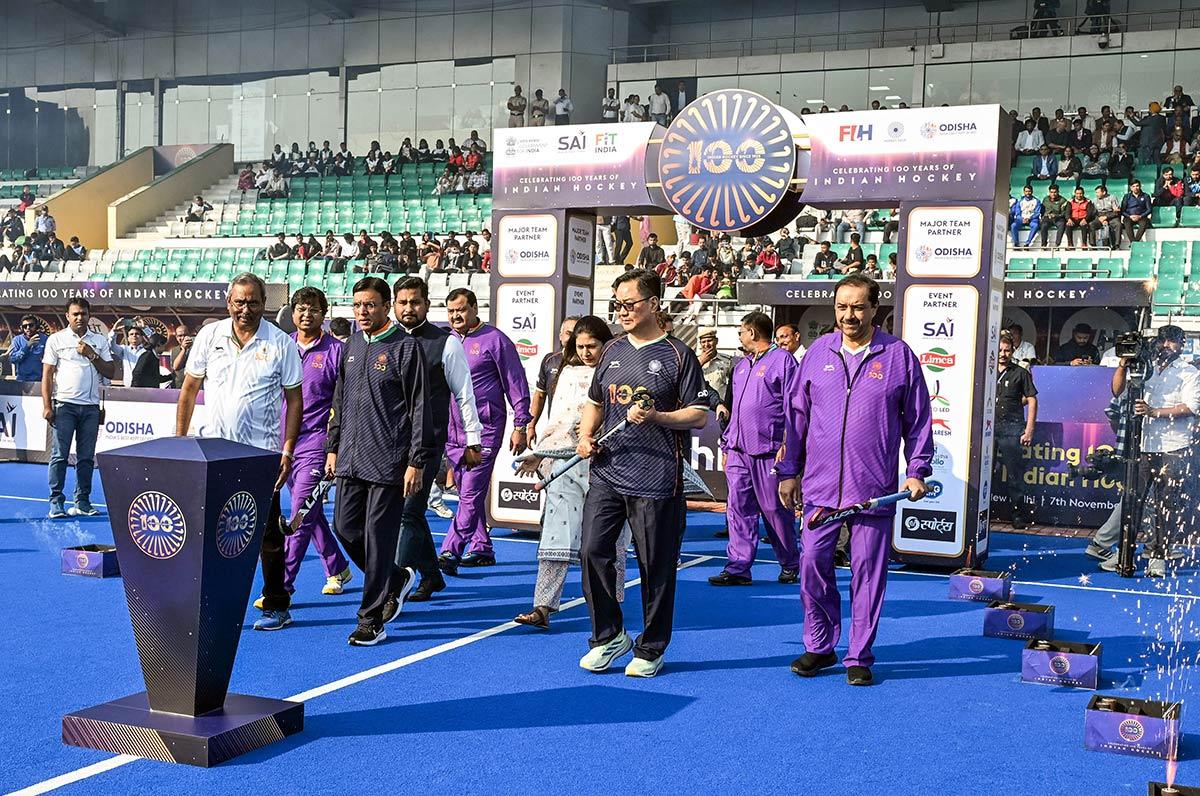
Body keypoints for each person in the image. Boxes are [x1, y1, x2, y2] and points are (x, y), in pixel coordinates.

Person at [777, 274, 933, 686]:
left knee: (867, 574)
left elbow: (918, 421)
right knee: (811, 565)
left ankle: (859, 655)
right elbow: (796, 418)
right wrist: (788, 470)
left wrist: (917, 470)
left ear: (874, 310)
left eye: (858, 307)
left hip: (874, 490)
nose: (849, 315)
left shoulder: (898, 355)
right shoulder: (816, 355)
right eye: (842, 307)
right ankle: (820, 645)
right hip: (820, 489)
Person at [575, 269, 708, 678]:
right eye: (617, 304)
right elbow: (595, 402)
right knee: (591, 552)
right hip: (608, 473)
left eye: (630, 303)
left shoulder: (677, 355)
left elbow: (698, 416)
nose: (623, 310)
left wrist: (657, 416)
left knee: (655, 566)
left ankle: (650, 647)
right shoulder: (612, 350)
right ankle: (608, 635)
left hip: (656, 479)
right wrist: (585, 435)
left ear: (653, 303)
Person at [176, 273, 304, 631]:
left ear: (265, 304)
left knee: (267, 536)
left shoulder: (281, 343)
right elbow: (188, 390)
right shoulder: (209, 336)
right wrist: (179, 439)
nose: (246, 309)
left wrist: (288, 451)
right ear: (228, 302)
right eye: (239, 302)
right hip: (213, 454)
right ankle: (212, 603)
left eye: (253, 302)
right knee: (209, 533)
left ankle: (277, 604)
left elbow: (295, 402)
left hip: (260, 455)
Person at [325, 277, 431, 645]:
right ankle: (395, 578)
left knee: (377, 537)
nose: (362, 312)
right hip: (350, 460)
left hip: (388, 461)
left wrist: (416, 461)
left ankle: (371, 620)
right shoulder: (351, 344)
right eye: (357, 306)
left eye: (369, 305)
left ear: (386, 306)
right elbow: (339, 399)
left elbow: (420, 408)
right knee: (343, 528)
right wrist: (333, 446)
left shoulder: (406, 347)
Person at [513, 317, 631, 630]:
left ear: (605, 343)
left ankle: (611, 604)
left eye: (592, 345)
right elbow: (558, 420)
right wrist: (541, 455)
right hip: (565, 464)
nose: (586, 352)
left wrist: (596, 431)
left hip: (607, 466)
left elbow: (626, 420)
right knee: (555, 534)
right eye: (580, 346)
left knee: (610, 539)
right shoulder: (566, 373)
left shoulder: (620, 371)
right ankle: (542, 607)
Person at [392, 277, 484, 601]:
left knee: (407, 512)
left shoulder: (446, 343)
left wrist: (474, 441)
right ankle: (432, 577)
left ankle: (395, 586)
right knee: (411, 514)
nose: (408, 308)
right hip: (389, 445)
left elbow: (465, 395)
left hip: (428, 446)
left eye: (415, 302)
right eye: (402, 302)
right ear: (394, 305)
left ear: (427, 305)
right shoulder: (385, 342)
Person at [437, 289, 532, 572]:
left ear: (475, 308)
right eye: (451, 311)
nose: (456, 316)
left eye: (462, 310)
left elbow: (516, 383)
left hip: (485, 428)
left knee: (470, 492)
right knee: (468, 488)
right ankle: (482, 547)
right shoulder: (447, 341)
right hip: (453, 430)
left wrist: (521, 425)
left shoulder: (495, 340)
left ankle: (449, 550)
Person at [1095, 326, 1200, 577]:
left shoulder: (1189, 371)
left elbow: (1191, 407)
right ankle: (1125, 554)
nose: (1167, 346)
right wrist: (1123, 364)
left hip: (1174, 446)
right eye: (1163, 341)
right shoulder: (1143, 366)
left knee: (1167, 505)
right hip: (1141, 446)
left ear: (1181, 345)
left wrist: (1154, 412)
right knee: (1133, 503)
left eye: (1172, 342)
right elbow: (1116, 390)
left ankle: (1158, 557)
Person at [709, 311, 801, 586]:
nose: (739, 336)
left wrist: (788, 443)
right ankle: (738, 567)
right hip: (738, 449)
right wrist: (727, 444)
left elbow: (794, 407)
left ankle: (790, 562)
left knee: (774, 509)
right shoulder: (740, 366)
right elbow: (736, 407)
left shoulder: (784, 361)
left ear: (752, 332)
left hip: (769, 450)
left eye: (741, 331)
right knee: (737, 509)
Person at [279, 287, 352, 602]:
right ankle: (337, 566)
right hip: (283, 443)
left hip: (317, 443)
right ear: (292, 312)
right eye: (300, 309)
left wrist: (336, 448)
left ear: (324, 313)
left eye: (313, 309)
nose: (306, 315)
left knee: (299, 514)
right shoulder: (281, 348)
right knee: (310, 511)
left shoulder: (337, 352)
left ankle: (282, 586)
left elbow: (346, 404)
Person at [42, 297, 116, 518]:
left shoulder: (100, 340)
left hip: (91, 408)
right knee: (59, 456)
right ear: (67, 316)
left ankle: (82, 502)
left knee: (86, 458)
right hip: (64, 405)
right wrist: (47, 405)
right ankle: (56, 502)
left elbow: (110, 372)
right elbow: (47, 374)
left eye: (83, 313)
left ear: (89, 315)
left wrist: (91, 354)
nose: (79, 317)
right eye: (75, 314)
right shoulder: (56, 339)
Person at [994, 333, 1039, 530]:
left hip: (1011, 430)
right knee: (984, 473)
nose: (1003, 354)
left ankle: (1017, 515)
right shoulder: (985, 370)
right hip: (988, 430)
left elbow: (1032, 399)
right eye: (1000, 350)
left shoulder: (1020, 372)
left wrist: (1029, 430)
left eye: (1007, 350)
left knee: (1015, 475)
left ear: (1013, 351)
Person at [528, 317, 579, 443]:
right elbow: (540, 395)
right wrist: (531, 426)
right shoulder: (550, 360)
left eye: (576, 334)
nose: (572, 338)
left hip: (581, 433)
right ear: (560, 335)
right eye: (568, 333)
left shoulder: (590, 362)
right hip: (555, 432)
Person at [697, 328, 732, 410]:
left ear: (716, 341)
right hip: (701, 406)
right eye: (703, 342)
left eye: (709, 340)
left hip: (721, 406)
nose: (706, 344)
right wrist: (700, 363)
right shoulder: (694, 361)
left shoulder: (727, 361)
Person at [10, 315, 47, 383]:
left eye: (31, 325)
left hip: (39, 379)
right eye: (25, 326)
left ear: (36, 326)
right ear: (22, 328)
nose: (28, 328)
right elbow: (13, 359)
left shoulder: (44, 339)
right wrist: (27, 346)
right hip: (22, 379)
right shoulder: (17, 340)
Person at [1091, 184, 1122, 250]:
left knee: (1118, 224)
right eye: (1096, 192)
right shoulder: (1094, 200)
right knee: (1092, 225)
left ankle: (1116, 245)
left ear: (1104, 192)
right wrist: (1100, 219)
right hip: (1099, 216)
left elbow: (1116, 211)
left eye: (1098, 192)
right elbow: (1094, 213)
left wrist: (1106, 217)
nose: (1096, 194)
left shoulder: (1112, 197)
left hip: (1111, 215)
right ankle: (1093, 245)